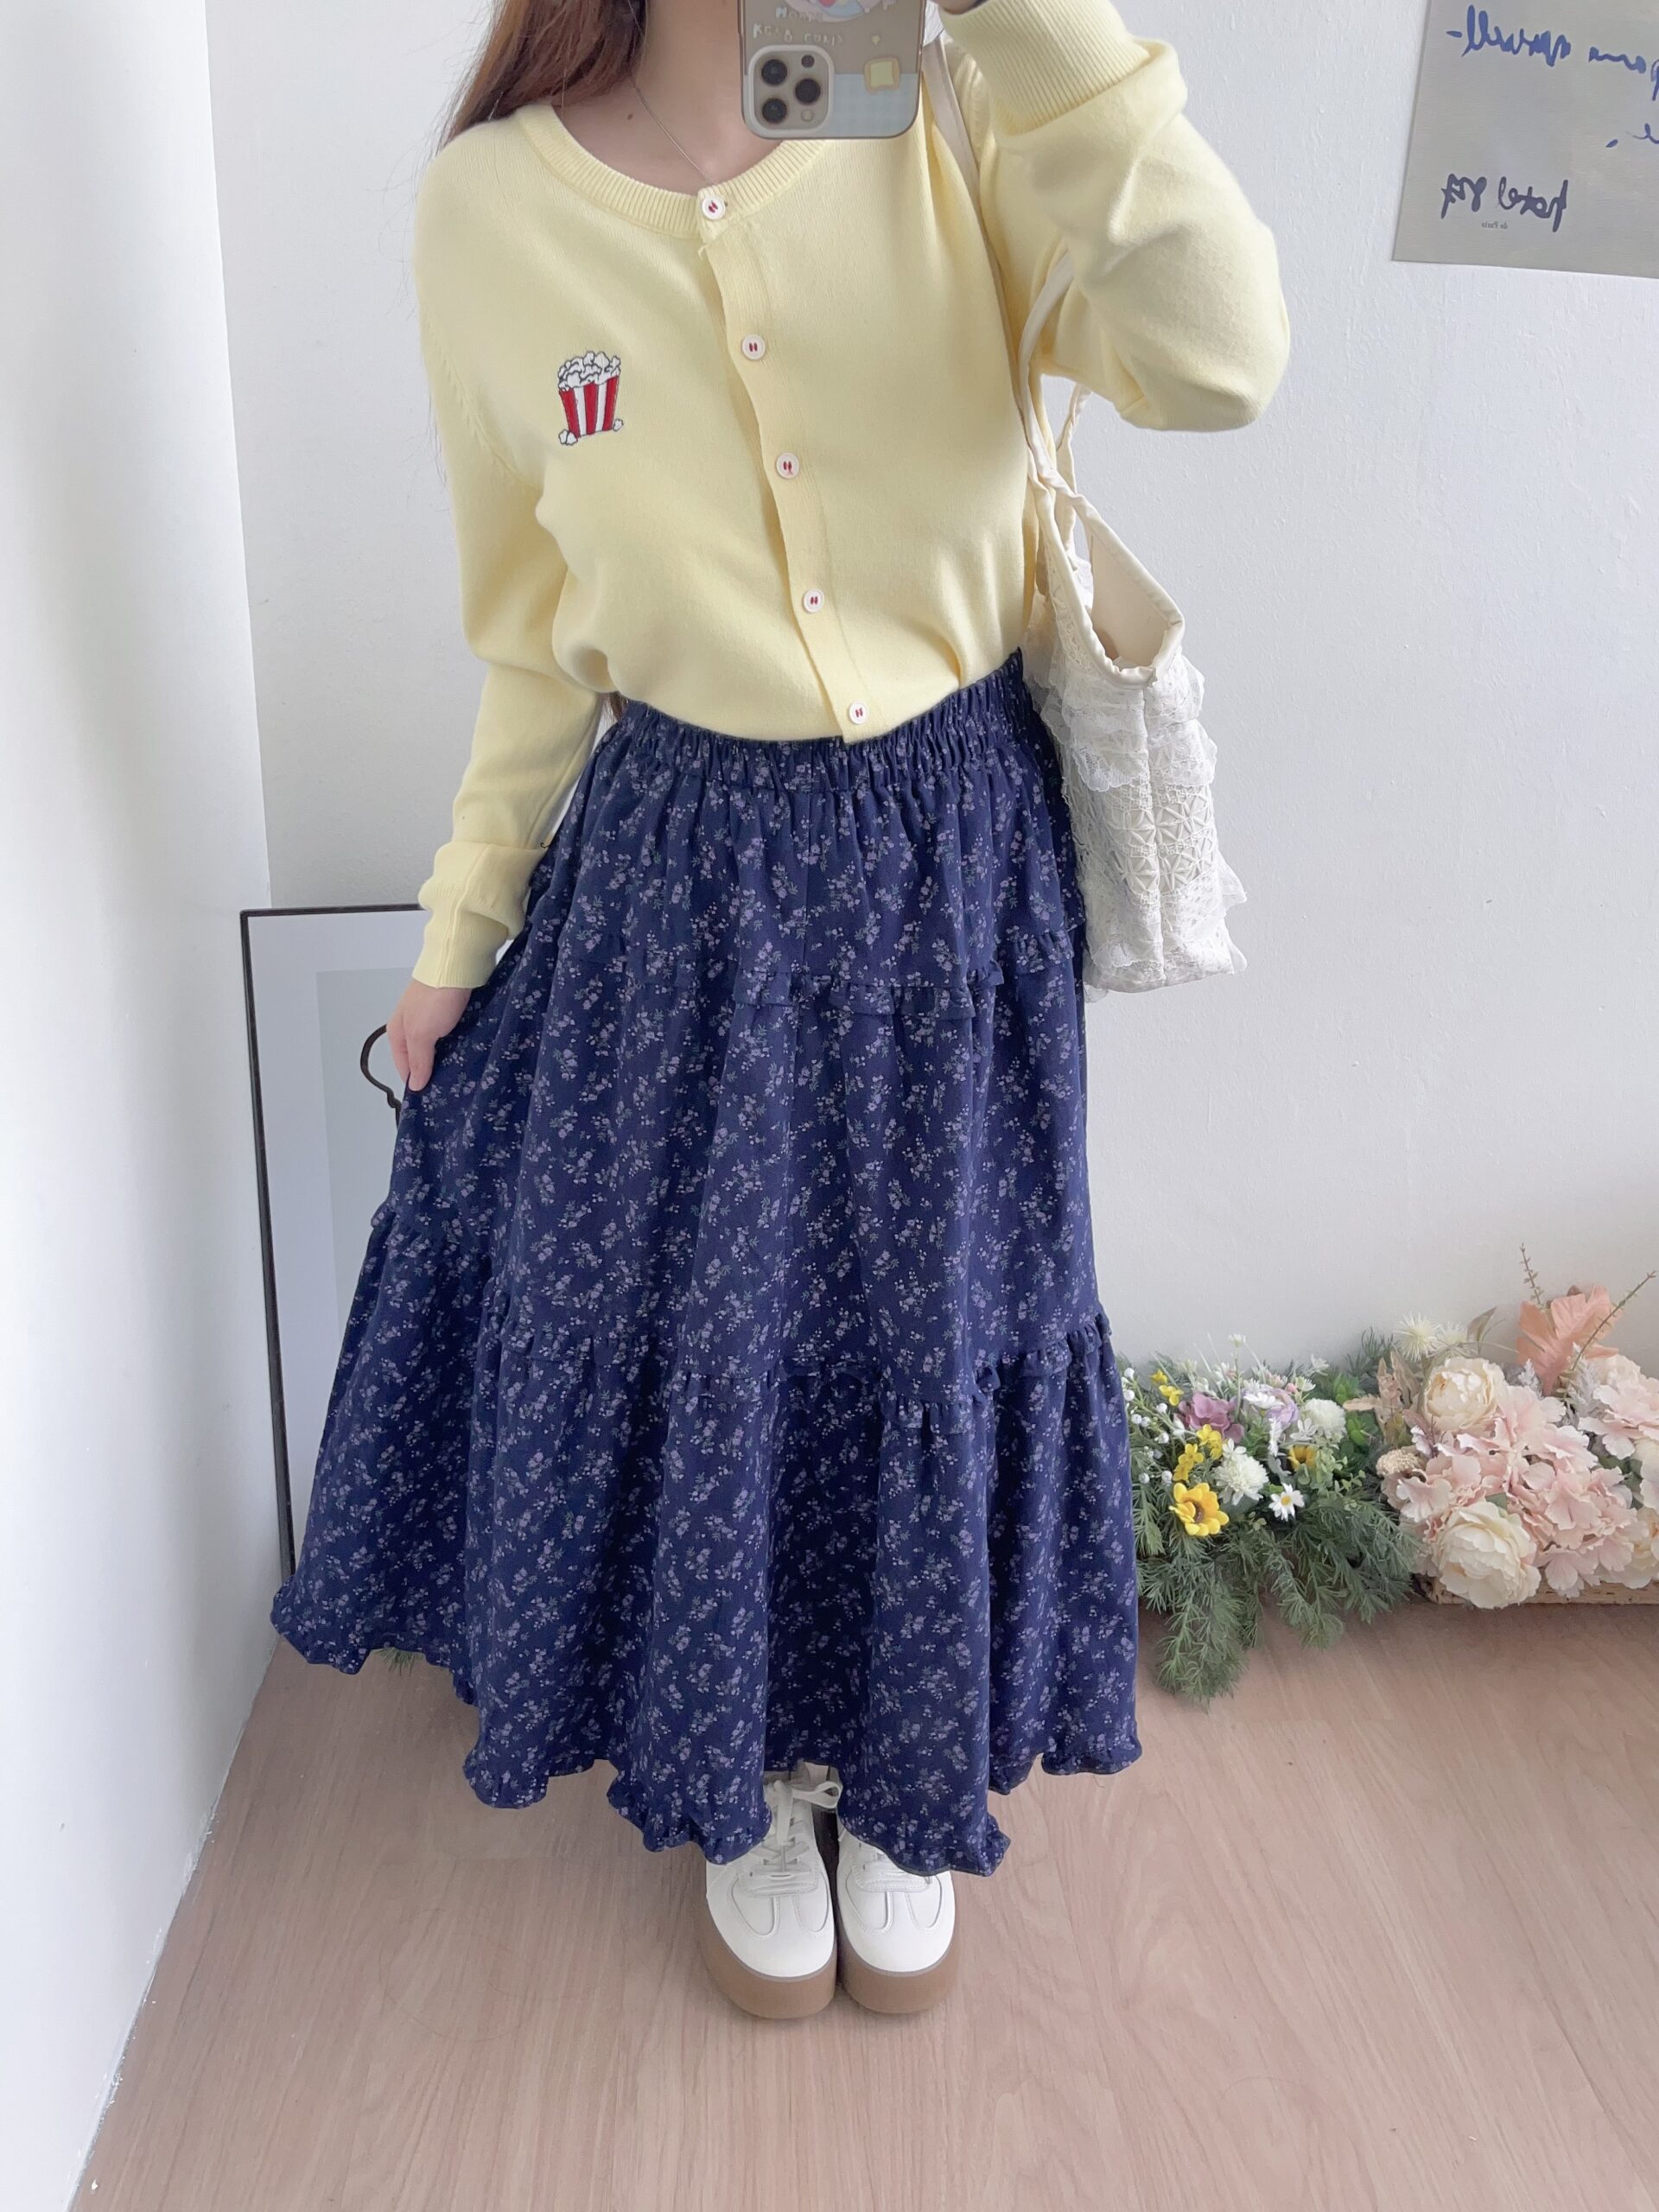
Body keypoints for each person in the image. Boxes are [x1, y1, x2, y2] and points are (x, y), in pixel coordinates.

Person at [271, 0, 1287, 2020]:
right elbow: (531, 641)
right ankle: (733, 1767)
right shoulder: (493, 213)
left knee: (936, 1319)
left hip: (949, 862)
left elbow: (1220, 358)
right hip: (676, 876)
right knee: (707, 1333)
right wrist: (459, 928)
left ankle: (894, 1771)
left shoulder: (943, 109)